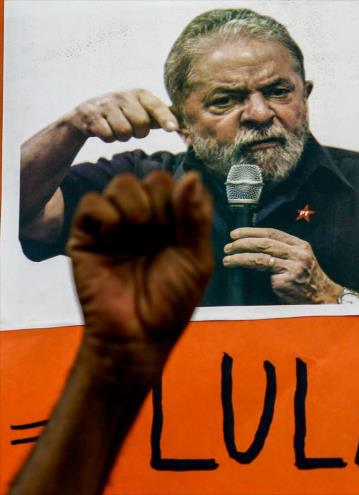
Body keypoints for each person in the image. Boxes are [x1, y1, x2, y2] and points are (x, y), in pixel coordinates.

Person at [19, 8, 359, 306]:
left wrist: (331, 297)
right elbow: (23, 214)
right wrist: (71, 129)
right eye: (226, 100)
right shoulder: (137, 186)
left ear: (305, 95)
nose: (260, 114)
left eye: (279, 91)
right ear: (181, 123)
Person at [10, 171, 214, 495]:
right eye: (219, 114)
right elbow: (17, 209)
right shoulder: (142, 170)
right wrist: (111, 358)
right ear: (185, 128)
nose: (257, 116)